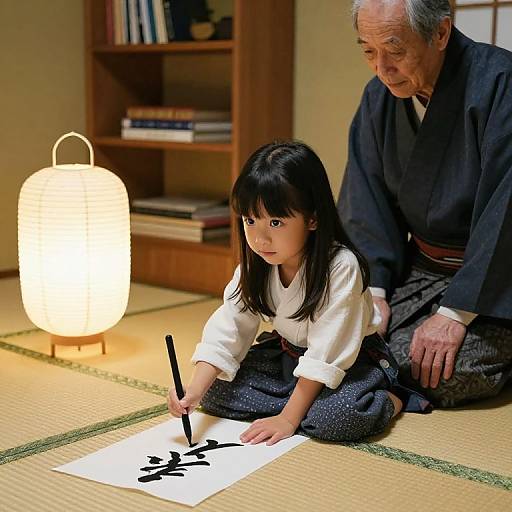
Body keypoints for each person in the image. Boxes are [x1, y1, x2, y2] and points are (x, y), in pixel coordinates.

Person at [167, 140, 423, 446]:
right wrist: (193, 391)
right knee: (215, 390)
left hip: (349, 363)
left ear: (312, 218)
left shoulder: (341, 267)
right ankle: (300, 405)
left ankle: (388, 399)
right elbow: (230, 325)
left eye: (276, 222)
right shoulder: (257, 264)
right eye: (250, 220)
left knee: (334, 419)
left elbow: (327, 351)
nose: (260, 238)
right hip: (288, 356)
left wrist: (289, 419)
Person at [338, 0, 512, 408]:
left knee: (436, 371)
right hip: (424, 270)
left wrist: (454, 315)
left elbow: (506, 211)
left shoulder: (500, 83)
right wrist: (374, 291)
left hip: (498, 278)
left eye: (395, 49)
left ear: (441, 33)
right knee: (345, 345)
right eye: (368, 50)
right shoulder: (379, 96)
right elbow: (365, 198)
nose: (382, 67)